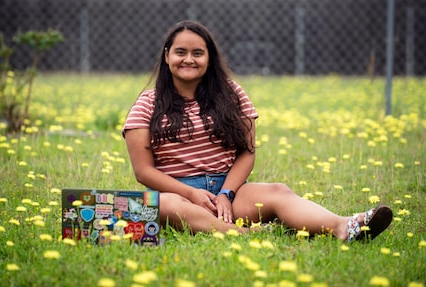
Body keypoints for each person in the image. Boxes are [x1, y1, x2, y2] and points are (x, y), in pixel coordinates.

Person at [123, 20, 393, 242]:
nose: (188, 59)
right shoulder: (147, 102)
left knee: (277, 191)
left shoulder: (232, 94)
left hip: (227, 191)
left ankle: (345, 226)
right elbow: (143, 171)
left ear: (209, 58)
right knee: (165, 206)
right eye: (180, 52)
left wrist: (226, 194)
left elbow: (246, 153)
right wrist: (191, 194)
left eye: (197, 53)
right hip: (176, 195)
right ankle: (241, 234)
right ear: (167, 55)